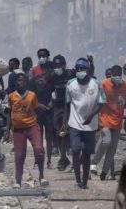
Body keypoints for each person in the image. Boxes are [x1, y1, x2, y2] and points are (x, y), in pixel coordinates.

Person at [63, 58, 105, 189]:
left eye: (82, 68)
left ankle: (85, 182)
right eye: (77, 69)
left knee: (87, 154)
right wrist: (65, 122)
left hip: (90, 125)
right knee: (75, 150)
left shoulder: (96, 84)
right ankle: (78, 179)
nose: (79, 71)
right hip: (74, 123)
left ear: (87, 70)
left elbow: (101, 103)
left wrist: (91, 115)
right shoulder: (70, 84)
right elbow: (67, 105)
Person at [3, 73, 49, 188]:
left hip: (32, 126)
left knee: (39, 149)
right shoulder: (11, 96)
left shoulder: (32, 95)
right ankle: (18, 181)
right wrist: (7, 130)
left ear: (26, 82)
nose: (21, 82)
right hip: (18, 129)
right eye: (19, 80)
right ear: (15, 82)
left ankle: (41, 176)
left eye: (23, 80)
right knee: (19, 155)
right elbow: (9, 113)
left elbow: (36, 107)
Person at [91, 65, 126, 180]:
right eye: (114, 76)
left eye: (119, 76)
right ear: (111, 76)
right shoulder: (103, 84)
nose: (117, 78)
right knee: (106, 141)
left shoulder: (124, 86)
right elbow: (95, 99)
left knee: (113, 149)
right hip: (105, 118)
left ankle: (104, 172)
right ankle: (94, 161)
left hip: (117, 121)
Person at [51, 54, 74, 171]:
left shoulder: (71, 74)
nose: (57, 68)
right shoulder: (53, 76)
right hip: (58, 107)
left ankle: (71, 158)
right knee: (59, 133)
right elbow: (48, 90)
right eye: (55, 66)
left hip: (71, 106)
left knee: (68, 131)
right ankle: (63, 157)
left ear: (64, 65)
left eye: (59, 65)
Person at [28, 74, 54, 169]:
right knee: (38, 139)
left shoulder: (50, 87)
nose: (40, 81)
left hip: (48, 114)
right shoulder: (33, 89)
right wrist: (39, 105)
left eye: (42, 79)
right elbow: (30, 101)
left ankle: (49, 161)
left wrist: (51, 103)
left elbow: (54, 97)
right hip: (37, 115)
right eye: (38, 79)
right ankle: (37, 161)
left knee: (49, 137)